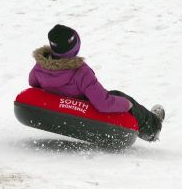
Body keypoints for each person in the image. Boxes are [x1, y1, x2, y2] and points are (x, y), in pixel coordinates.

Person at [29, 24, 165, 142]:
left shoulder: (40, 67)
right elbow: (103, 103)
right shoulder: (80, 72)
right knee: (119, 96)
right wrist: (126, 104)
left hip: (64, 106)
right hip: (85, 107)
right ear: (75, 47)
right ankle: (153, 127)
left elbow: (32, 82)